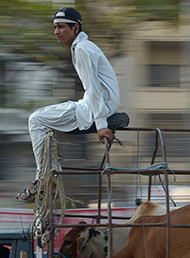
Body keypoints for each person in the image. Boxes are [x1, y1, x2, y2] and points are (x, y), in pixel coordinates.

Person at [16, 7, 128, 202]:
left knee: (36, 119)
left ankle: (45, 180)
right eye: (55, 27)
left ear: (75, 28)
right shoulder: (83, 47)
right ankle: (47, 177)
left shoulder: (83, 49)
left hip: (96, 107)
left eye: (61, 27)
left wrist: (101, 126)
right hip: (99, 104)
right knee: (39, 120)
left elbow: (93, 88)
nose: (56, 32)